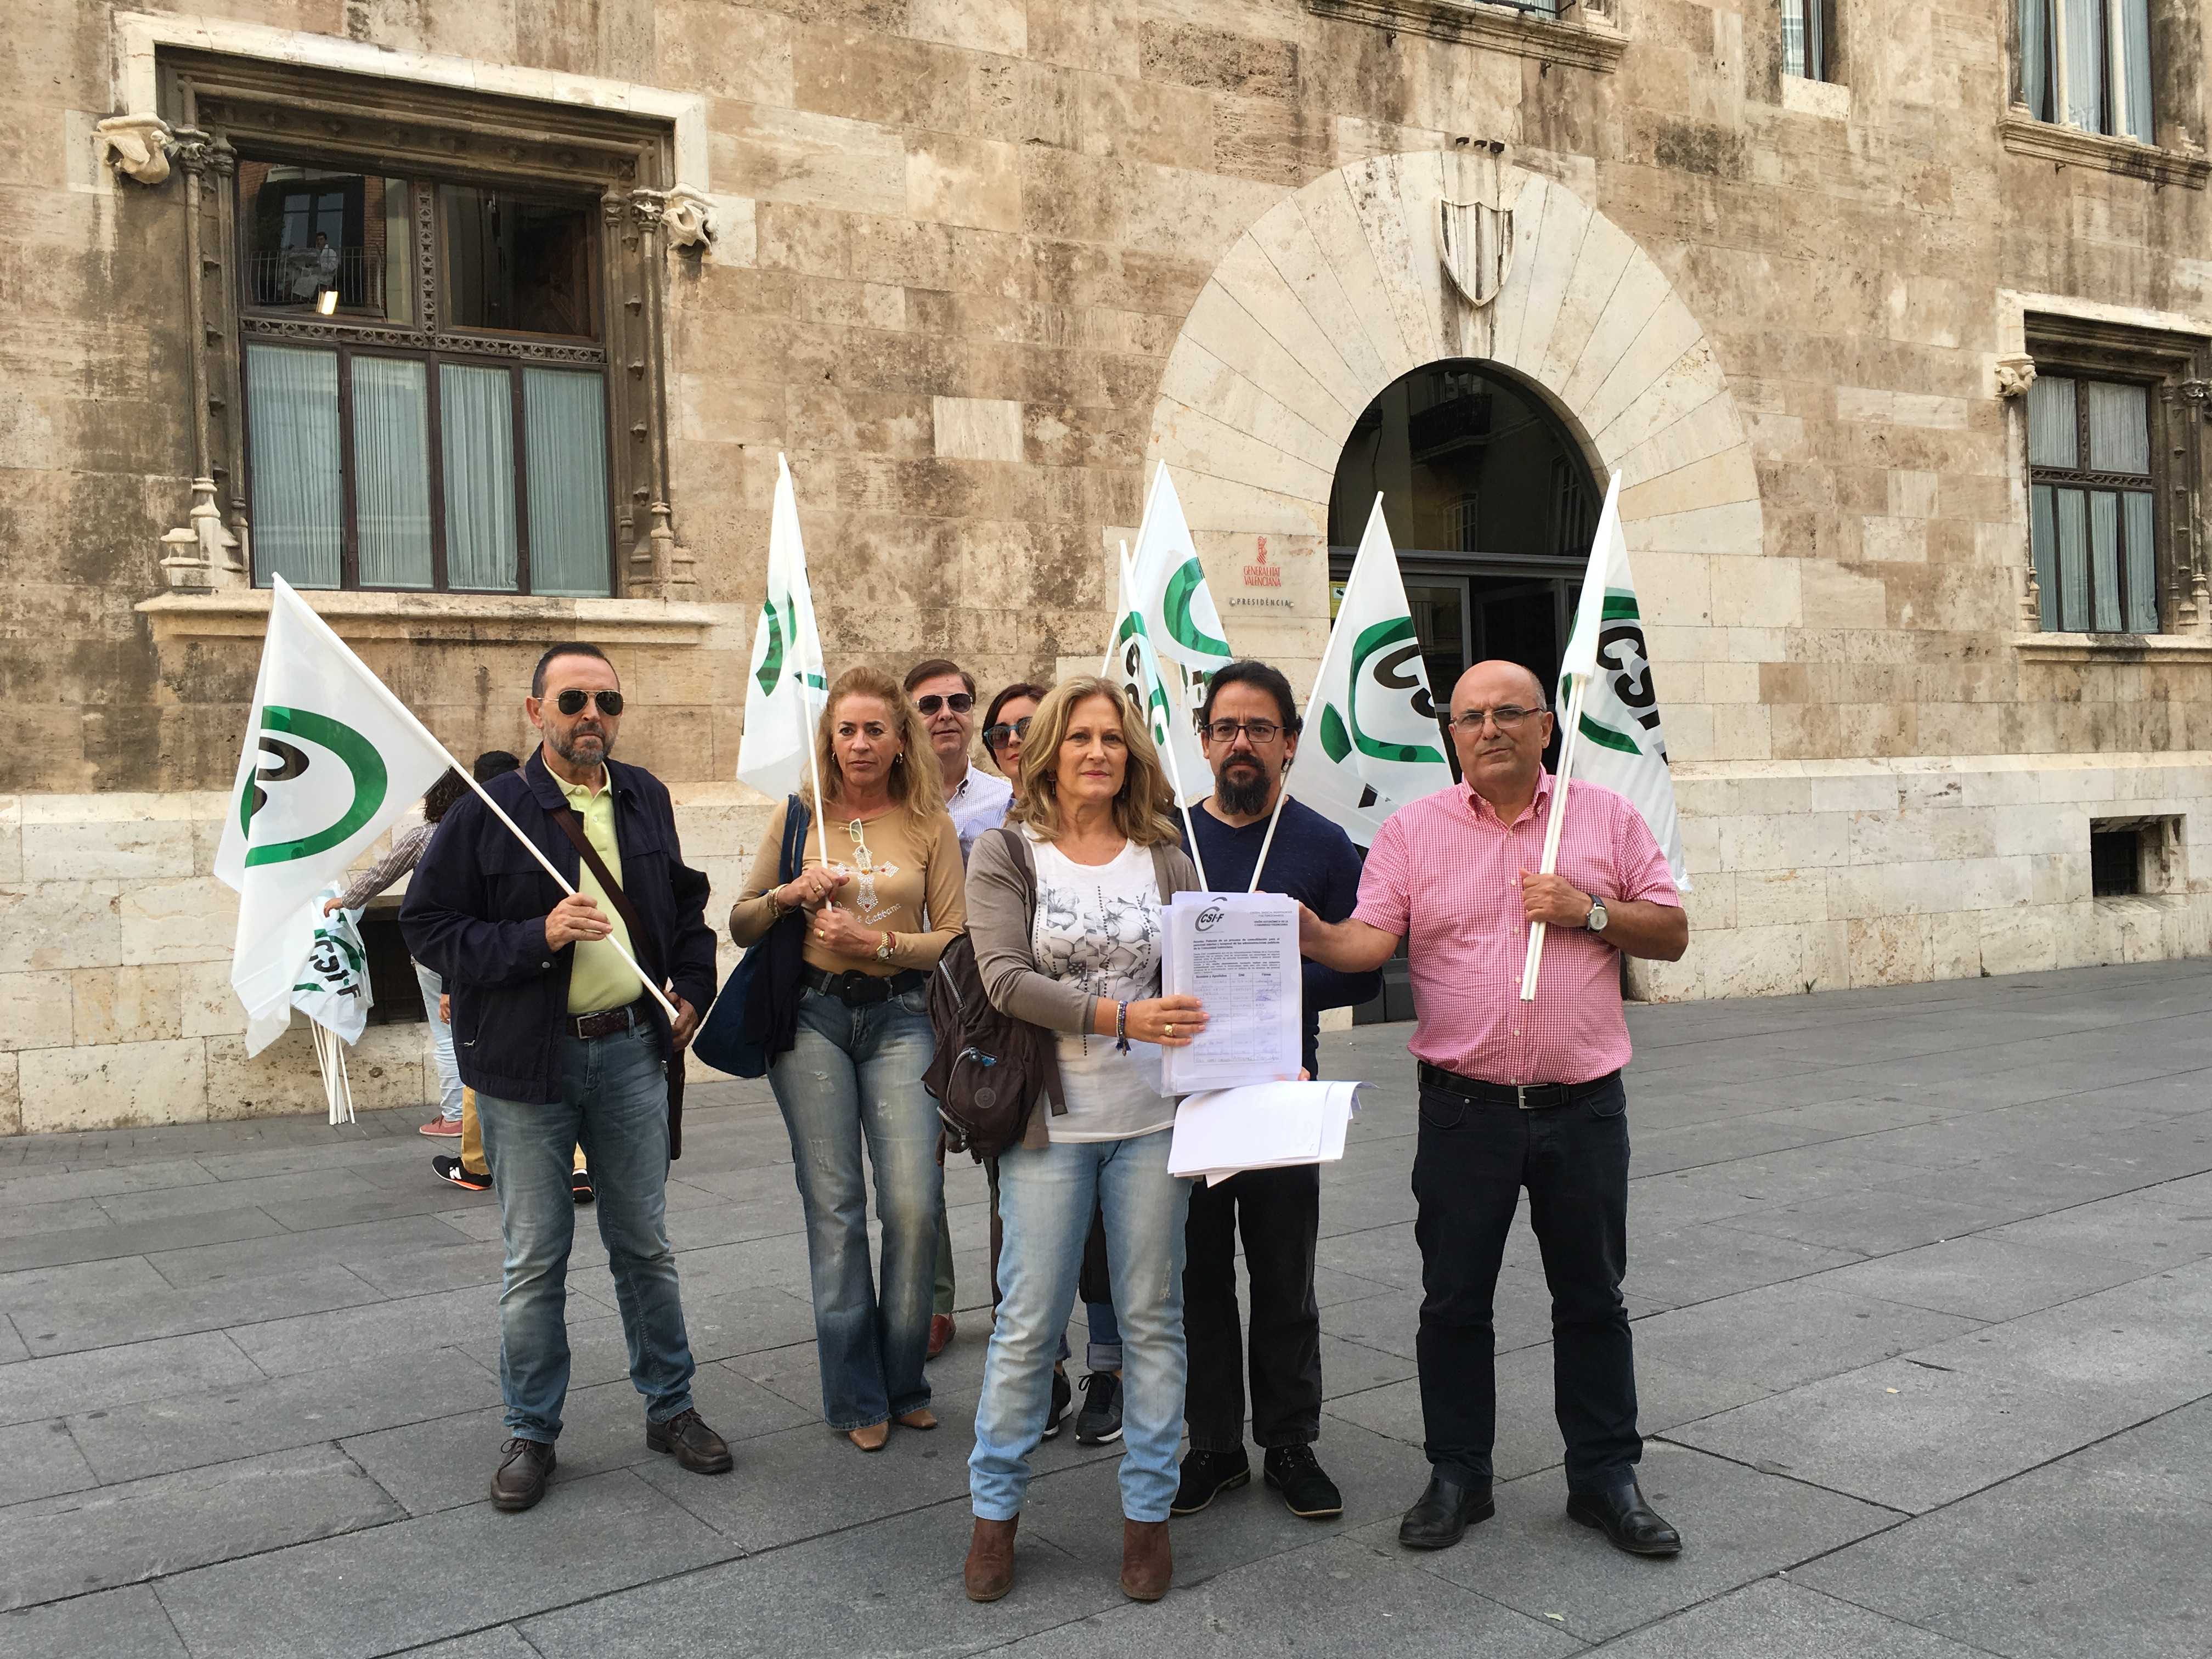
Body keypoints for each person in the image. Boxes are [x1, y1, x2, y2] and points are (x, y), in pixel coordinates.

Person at [1296, 659, 1689, 1558]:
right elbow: (1369, 938)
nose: (1488, 728)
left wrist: (1591, 910)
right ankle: (1457, 1474)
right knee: (1453, 1299)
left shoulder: (1604, 817)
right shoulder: (1412, 830)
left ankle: (1604, 1475)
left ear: (1545, 726)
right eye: (1468, 715)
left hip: (1581, 1108)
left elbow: (1668, 931)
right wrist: (1316, 934)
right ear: (1452, 733)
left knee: (1592, 1294)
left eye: (1508, 712)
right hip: (1465, 1111)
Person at [402, 643, 730, 1513]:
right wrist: (535, 937)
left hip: (630, 1052)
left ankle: (671, 1408)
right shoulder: (493, 813)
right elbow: (428, 929)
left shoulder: (646, 797)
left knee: (644, 1247)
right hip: (525, 1063)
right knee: (535, 1258)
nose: (594, 714)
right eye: (575, 698)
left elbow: (687, 913)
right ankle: (531, 1432)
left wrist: (692, 991)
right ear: (534, 710)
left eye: (609, 701)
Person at [961, 677, 1207, 1606]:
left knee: (1151, 1317)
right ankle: (994, 1514)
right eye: (1079, 737)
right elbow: (1002, 979)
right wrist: (1121, 1014)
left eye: (1113, 737)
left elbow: (1204, 983)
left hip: (1151, 1122)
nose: (1097, 751)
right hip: (1046, 1121)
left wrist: (1257, 1060)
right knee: (1028, 1321)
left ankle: (1146, 1515)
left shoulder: (1167, 858)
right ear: (1048, 750)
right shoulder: (1006, 850)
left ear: (1132, 752)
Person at [731, 665, 965, 1453]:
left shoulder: (929, 822)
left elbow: (958, 940)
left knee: (910, 1204)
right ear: (828, 741)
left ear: (902, 741)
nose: (861, 744)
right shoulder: (800, 815)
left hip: (902, 1017)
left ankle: (905, 1380)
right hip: (813, 1021)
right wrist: (792, 896)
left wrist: (882, 942)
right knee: (834, 1208)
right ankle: (855, 1393)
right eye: (847, 730)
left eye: (876, 729)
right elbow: (741, 921)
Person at [1173, 661, 1381, 1522]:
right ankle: (1215, 1445)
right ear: (1204, 740)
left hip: (1283, 1090)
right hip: (1183, 1096)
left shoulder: (1323, 844)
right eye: (1226, 728)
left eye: (1260, 728)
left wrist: (1286, 977)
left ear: (1290, 743)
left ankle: (1291, 1443)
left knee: (1284, 1271)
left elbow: (1360, 972)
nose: (1242, 743)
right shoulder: (1167, 840)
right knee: (1197, 1275)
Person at [905, 657, 1008, 1363]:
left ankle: (1015, 1302)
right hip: (910, 996)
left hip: (987, 996)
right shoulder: (889, 805)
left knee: (1008, 1149)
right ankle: (934, 1303)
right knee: (922, 1160)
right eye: (929, 704)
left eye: (959, 701)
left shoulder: (1003, 800)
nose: (946, 713)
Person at [432, 754, 592, 1203]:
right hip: (502, 979)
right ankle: (575, 1166)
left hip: (499, 999)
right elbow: (440, 919)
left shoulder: (462, 825)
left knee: (478, 1075)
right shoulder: (474, 824)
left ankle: (476, 1164)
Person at [324, 767, 472, 1138]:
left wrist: (348, 899)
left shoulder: (425, 837)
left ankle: (455, 1116)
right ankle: (478, 1116)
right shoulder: (483, 834)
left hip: (436, 946)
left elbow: (382, 874)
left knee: (446, 1034)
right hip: (479, 944)